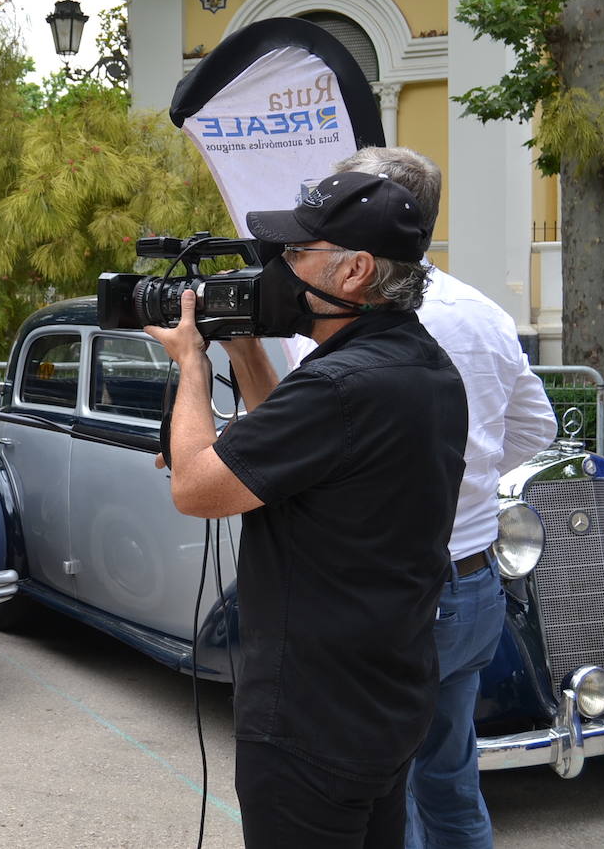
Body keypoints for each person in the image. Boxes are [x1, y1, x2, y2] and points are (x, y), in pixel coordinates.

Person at [145, 170, 468, 847]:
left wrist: (193, 370)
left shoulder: (341, 387)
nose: (279, 271)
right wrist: (242, 348)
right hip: (383, 699)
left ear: (353, 271)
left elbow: (196, 489)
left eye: (295, 254)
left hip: (309, 718)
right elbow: (292, 452)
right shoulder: (419, 364)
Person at [284, 147, 558, 848]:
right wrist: (457, 477)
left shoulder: (338, 319)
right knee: (450, 779)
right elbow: (537, 427)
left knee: (387, 789)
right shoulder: (484, 313)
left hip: (395, 592)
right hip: (474, 579)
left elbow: (303, 446)